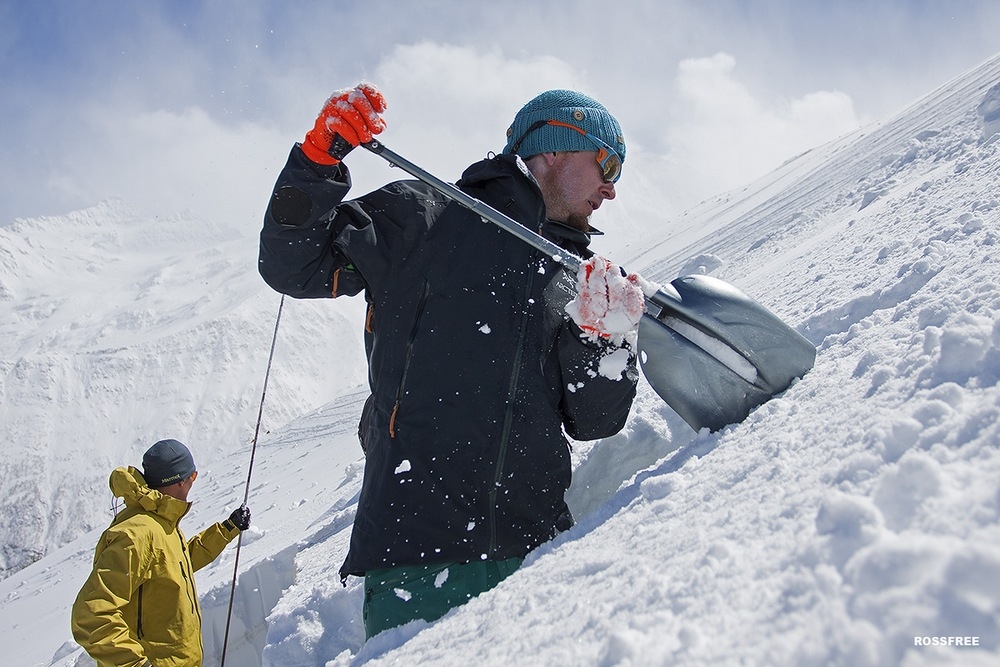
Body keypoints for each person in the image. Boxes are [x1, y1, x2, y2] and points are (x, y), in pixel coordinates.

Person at [258, 83, 644, 638]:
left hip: (543, 557)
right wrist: (318, 162)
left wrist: (607, 343)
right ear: (553, 146)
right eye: (606, 163)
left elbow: (595, 421)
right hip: (417, 563)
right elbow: (292, 264)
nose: (611, 189)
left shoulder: (573, 275)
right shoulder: (424, 216)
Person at [71, 439, 251, 667]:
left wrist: (227, 529)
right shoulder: (137, 535)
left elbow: (177, 564)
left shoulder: (159, 521)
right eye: (192, 477)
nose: (193, 483)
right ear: (179, 482)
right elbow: (90, 614)